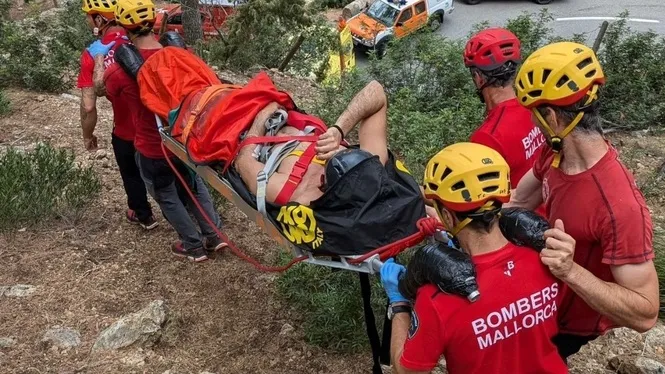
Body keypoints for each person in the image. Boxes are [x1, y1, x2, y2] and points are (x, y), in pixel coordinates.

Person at [509, 41, 659, 359]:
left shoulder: (619, 206)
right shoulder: (555, 150)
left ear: (550, 115)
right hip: (541, 301)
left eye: (533, 114)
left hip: (567, 329)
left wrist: (569, 270)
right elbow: (518, 202)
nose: (532, 122)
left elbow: (646, 313)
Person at [379, 142, 568, 374]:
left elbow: (407, 371)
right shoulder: (548, 258)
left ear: (447, 216)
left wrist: (399, 305)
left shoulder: (438, 297)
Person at [105, 0, 227, 262]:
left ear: (124, 27)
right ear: (155, 22)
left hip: (153, 146)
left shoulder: (118, 72)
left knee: (165, 193)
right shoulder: (183, 56)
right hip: (185, 141)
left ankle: (192, 244)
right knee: (195, 186)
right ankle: (214, 235)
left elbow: (111, 97)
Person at [234, 79, 389, 206]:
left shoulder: (290, 191)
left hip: (245, 124)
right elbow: (376, 90)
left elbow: (242, 161)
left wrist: (263, 116)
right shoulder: (370, 167)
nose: (330, 152)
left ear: (323, 180)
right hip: (286, 118)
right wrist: (339, 129)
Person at [79, 0, 157, 229]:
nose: (87, 20)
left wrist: (87, 134)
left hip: (125, 130)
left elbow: (88, 106)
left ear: (99, 19)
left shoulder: (93, 53)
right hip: (159, 126)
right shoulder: (144, 38)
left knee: (130, 172)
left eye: (89, 16)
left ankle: (143, 214)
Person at [463, 27, 546, 215]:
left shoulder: (488, 137)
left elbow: (482, 204)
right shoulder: (536, 107)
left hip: (517, 224)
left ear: (477, 78)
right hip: (550, 210)